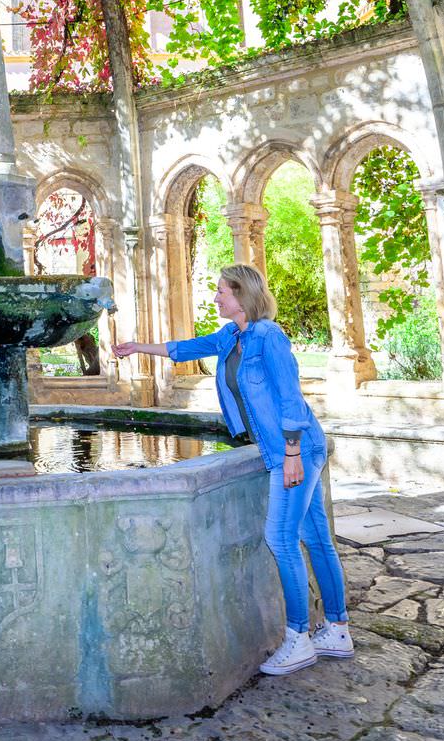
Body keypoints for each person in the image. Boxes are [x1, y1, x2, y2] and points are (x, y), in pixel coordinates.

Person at [116, 264, 351, 675]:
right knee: (314, 537)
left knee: (280, 538)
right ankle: (337, 628)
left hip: (295, 449)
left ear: (243, 295)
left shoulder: (268, 337)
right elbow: (185, 348)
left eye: (222, 291)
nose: (216, 297)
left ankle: (297, 639)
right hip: (289, 449)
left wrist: (292, 453)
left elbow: (291, 398)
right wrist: (138, 347)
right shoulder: (233, 336)